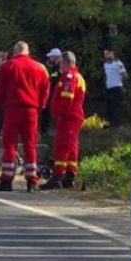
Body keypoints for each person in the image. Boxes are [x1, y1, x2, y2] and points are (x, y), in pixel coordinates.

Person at [0, 41, 50, 192]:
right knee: (30, 145)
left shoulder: (7, 67)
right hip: (31, 111)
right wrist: (40, 106)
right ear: (27, 51)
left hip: (12, 110)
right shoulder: (40, 68)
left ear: (15, 52)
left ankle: (7, 180)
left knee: (9, 144)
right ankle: (32, 181)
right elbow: (45, 91)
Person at [41, 51, 87, 191]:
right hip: (73, 117)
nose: (59, 65)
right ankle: (69, 175)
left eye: (60, 63)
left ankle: (58, 176)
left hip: (68, 117)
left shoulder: (69, 76)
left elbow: (67, 96)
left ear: (66, 62)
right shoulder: (78, 76)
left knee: (61, 146)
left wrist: (60, 114)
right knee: (71, 147)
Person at [102, 49, 127, 127]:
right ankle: (110, 124)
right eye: (105, 54)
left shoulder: (118, 63)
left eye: (108, 53)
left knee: (115, 107)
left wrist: (122, 84)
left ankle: (116, 125)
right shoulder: (105, 65)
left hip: (117, 87)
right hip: (109, 88)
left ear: (112, 53)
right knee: (108, 107)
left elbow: (125, 75)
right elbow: (107, 75)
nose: (106, 55)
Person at [40, 48, 62, 136]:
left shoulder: (60, 68)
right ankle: (44, 131)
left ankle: (56, 131)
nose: (49, 59)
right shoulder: (51, 67)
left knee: (55, 113)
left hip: (56, 93)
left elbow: (54, 79)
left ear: (56, 57)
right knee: (45, 112)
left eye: (51, 57)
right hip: (49, 92)